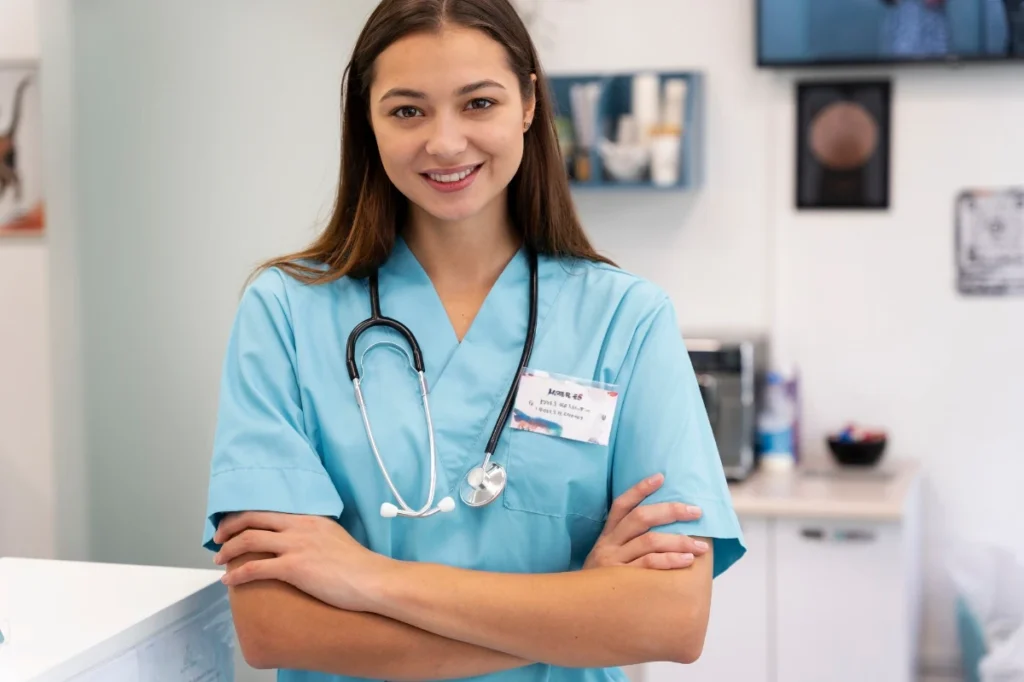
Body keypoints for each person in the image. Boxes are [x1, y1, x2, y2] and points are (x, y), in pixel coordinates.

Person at [202, 0, 746, 680]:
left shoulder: (625, 319)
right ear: (366, 123)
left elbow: (670, 619)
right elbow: (274, 627)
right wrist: (578, 613)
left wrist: (366, 577)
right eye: (407, 111)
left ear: (527, 103)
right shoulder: (284, 312)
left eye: (478, 103)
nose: (446, 142)